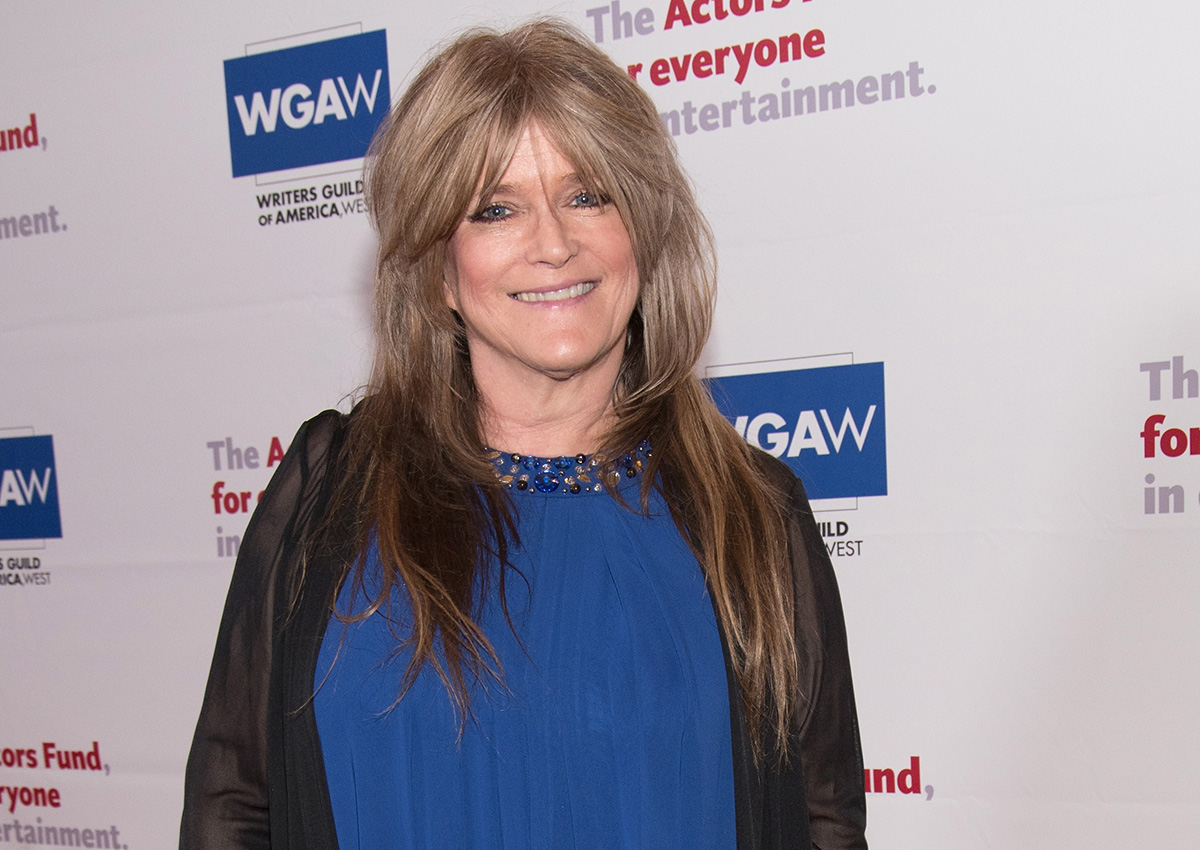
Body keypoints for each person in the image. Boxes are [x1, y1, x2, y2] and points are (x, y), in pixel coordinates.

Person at [181, 18, 867, 850]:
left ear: (643, 233)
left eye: (588, 196)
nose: (554, 243)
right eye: (497, 209)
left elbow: (822, 817)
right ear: (438, 268)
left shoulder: (754, 513)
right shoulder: (330, 496)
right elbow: (234, 803)